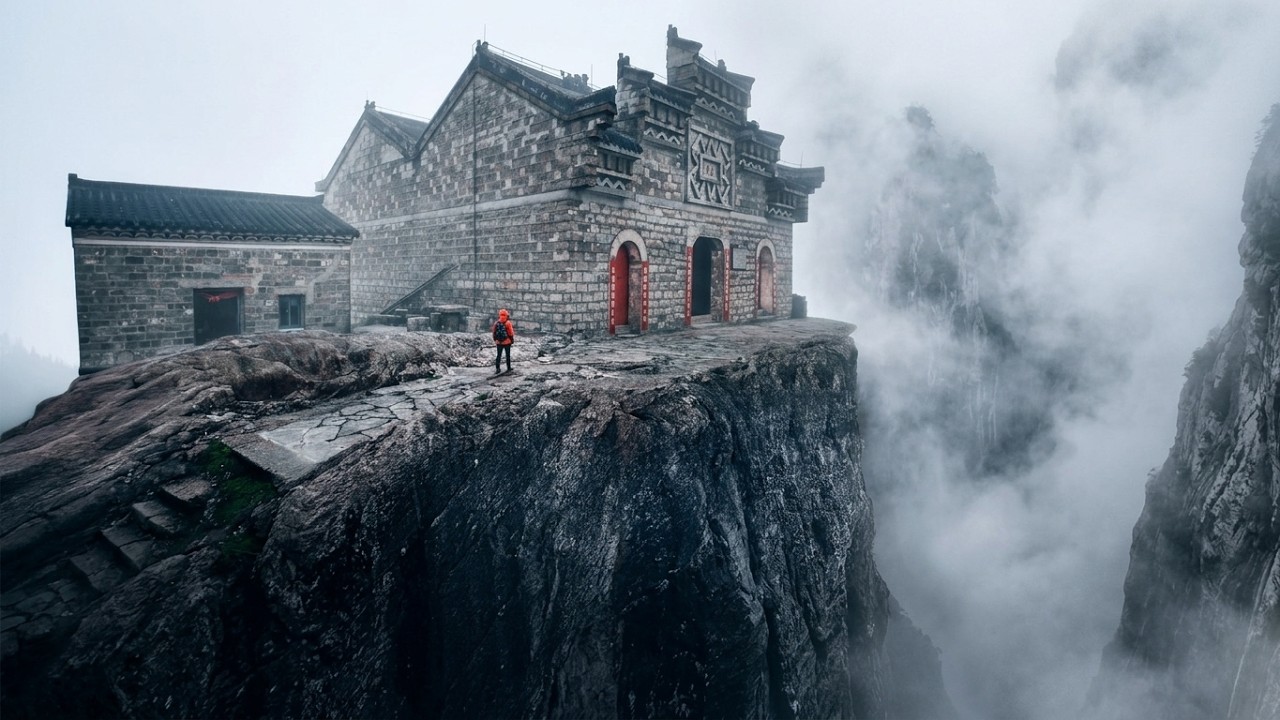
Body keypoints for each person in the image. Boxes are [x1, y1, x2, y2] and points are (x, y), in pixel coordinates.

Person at [492, 308, 515, 374]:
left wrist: (495, 339)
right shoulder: (508, 323)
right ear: (506, 315)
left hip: (499, 342)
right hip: (507, 342)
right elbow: (510, 333)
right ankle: (508, 368)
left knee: (498, 355)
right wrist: (512, 340)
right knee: (507, 355)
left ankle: (497, 369)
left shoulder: (496, 323)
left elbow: (494, 332)